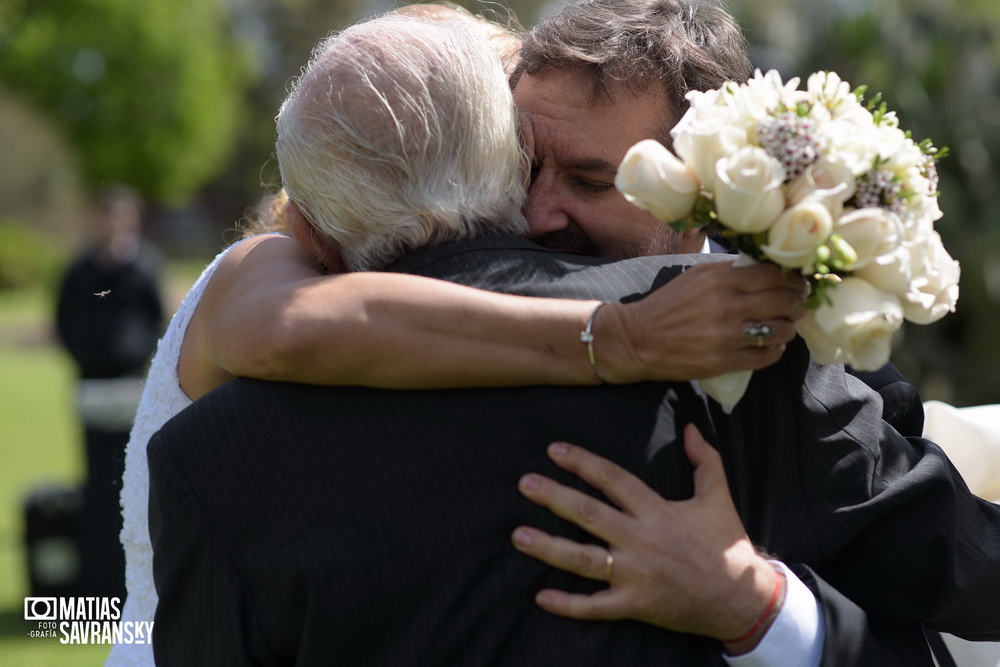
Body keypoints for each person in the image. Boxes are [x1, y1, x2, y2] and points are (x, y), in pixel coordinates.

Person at [149, 13, 1000, 666]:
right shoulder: (716, 356)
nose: (547, 213)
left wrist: (756, 601)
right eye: (529, 168)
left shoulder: (207, 455)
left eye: (595, 180)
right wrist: (620, 338)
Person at [55, 184, 163, 601]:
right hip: (92, 389)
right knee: (97, 485)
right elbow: (65, 323)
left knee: (134, 482)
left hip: (131, 388)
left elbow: (155, 323)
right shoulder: (80, 271)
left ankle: (136, 583)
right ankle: (98, 582)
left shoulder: (143, 267)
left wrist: (130, 356)